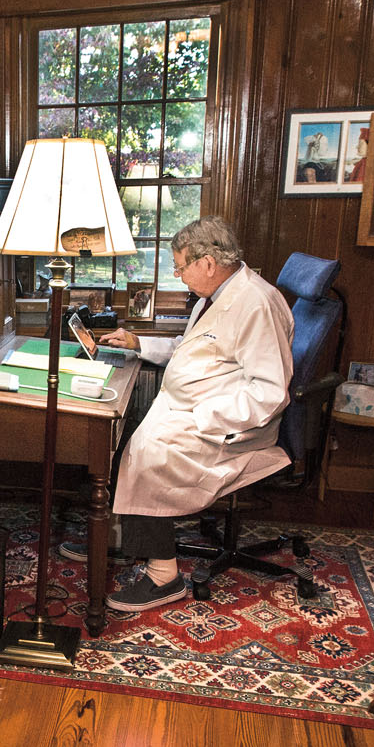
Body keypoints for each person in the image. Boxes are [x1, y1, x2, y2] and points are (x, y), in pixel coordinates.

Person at [63, 216, 293, 614]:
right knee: (120, 432)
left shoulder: (256, 303)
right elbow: (194, 350)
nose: (177, 273)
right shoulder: (215, 295)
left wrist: (204, 416)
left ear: (207, 262)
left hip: (227, 423)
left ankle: (163, 576)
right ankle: (116, 538)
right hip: (191, 406)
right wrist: (138, 343)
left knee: (149, 454)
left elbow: (269, 392)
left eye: (180, 265)